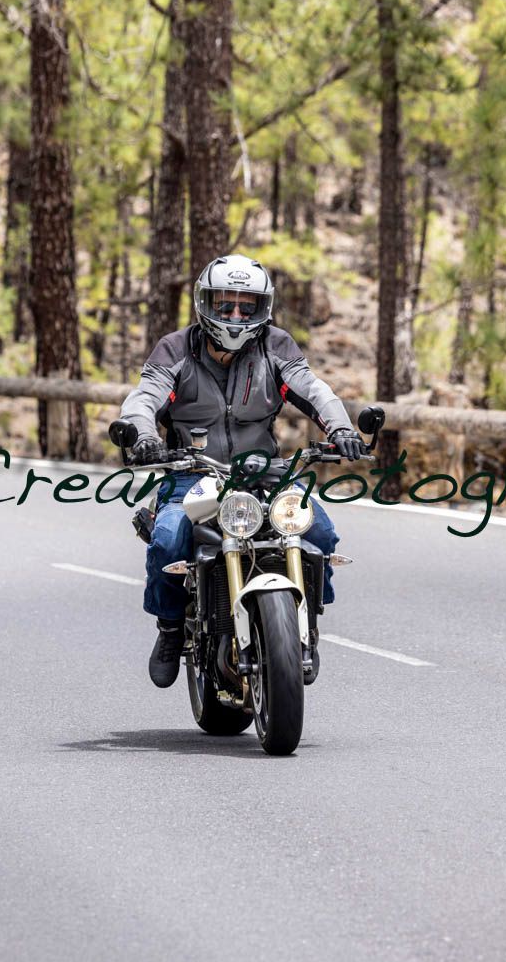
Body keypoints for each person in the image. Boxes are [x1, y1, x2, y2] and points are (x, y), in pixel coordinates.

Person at [118, 254, 367, 689]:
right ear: (204, 304)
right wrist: (142, 434)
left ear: (262, 308)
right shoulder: (176, 348)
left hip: (263, 472)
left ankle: (307, 623)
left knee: (320, 531)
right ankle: (171, 628)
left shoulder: (277, 345)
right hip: (192, 472)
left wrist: (342, 428)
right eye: (224, 303)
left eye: (246, 306)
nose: (234, 315)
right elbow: (145, 397)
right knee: (168, 537)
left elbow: (313, 390)